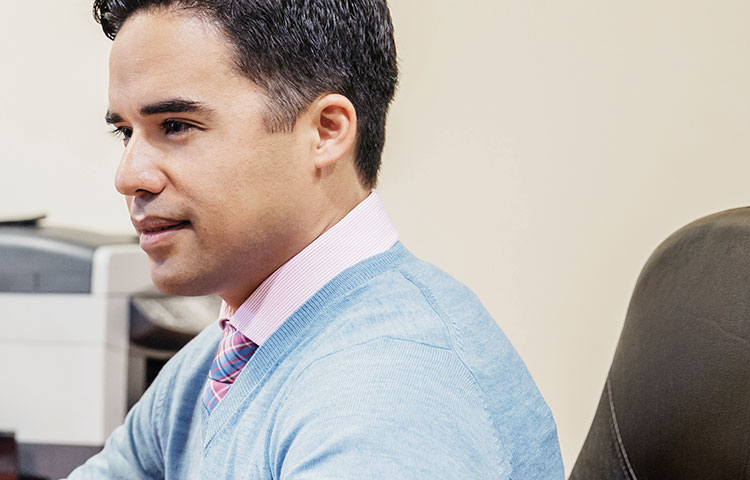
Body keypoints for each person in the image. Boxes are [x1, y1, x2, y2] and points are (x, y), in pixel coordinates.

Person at [69, 1, 561, 478]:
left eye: (175, 126)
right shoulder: (219, 360)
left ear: (325, 132)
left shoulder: (388, 392)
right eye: (125, 133)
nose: (129, 175)